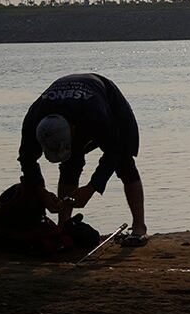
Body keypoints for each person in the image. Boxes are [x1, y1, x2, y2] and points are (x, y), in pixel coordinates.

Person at [18, 72, 147, 240]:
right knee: (70, 164)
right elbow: (26, 159)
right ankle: (63, 225)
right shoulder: (33, 120)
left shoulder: (95, 116)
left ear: (73, 130)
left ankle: (139, 226)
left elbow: (113, 152)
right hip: (73, 107)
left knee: (124, 162)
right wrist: (40, 191)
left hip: (109, 100)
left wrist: (91, 188)